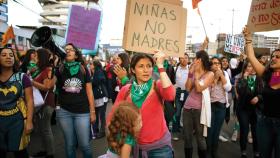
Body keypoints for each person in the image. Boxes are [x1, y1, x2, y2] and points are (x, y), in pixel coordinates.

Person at [107, 51, 175, 158]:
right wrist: (121, 139)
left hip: (160, 148)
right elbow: (112, 117)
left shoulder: (157, 85)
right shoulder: (126, 90)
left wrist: (160, 66)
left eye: (149, 66)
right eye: (141, 66)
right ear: (133, 70)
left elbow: (170, 95)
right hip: (135, 149)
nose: (146, 70)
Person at [243, 26, 280, 158]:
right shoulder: (266, 74)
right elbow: (251, 57)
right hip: (265, 123)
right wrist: (248, 39)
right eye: (273, 56)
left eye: (278, 57)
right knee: (264, 154)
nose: (274, 58)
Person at [55, 43, 96, 158]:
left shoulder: (84, 69)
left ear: (76, 54)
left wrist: (92, 112)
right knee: (69, 145)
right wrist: (53, 65)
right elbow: (48, 85)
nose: (67, 51)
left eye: (71, 50)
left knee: (84, 145)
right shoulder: (59, 69)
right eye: (65, 50)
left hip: (82, 112)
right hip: (64, 112)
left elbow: (89, 91)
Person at [0, 47, 34, 158]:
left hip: (18, 122)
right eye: (4, 55)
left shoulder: (22, 77)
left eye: (10, 55)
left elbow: (30, 101)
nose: (8, 57)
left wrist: (29, 122)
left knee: (20, 153)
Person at [183, 50, 214, 158]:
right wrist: (190, 73)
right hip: (187, 108)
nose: (193, 61)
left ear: (199, 60)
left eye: (195, 59)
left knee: (200, 139)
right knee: (187, 138)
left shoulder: (210, 74)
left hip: (200, 110)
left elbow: (199, 88)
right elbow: (187, 88)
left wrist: (196, 75)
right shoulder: (193, 72)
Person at [30, 48, 56, 158]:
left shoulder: (48, 70)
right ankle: (45, 150)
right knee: (42, 129)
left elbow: (47, 87)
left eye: (36, 56)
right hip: (41, 104)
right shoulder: (41, 70)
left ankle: (50, 153)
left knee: (45, 129)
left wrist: (32, 82)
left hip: (46, 104)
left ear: (41, 57)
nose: (34, 58)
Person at [235, 61, 261, 158]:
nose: (252, 68)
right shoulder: (241, 80)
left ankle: (257, 151)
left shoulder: (260, 79)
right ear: (245, 69)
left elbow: (263, 93)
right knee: (244, 130)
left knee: (255, 131)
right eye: (249, 66)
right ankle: (243, 151)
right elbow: (241, 92)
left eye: (253, 66)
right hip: (243, 109)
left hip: (256, 110)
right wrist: (245, 79)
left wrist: (258, 97)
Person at [207, 57, 232, 158]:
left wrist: (221, 76)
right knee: (210, 130)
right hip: (211, 106)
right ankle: (208, 152)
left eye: (218, 63)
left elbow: (228, 88)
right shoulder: (208, 75)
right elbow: (207, 92)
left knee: (217, 130)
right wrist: (215, 79)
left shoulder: (225, 73)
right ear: (210, 65)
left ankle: (214, 151)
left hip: (221, 106)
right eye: (213, 63)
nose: (216, 65)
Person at [172, 53, 190, 141]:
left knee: (187, 114)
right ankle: (175, 131)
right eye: (182, 58)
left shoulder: (191, 69)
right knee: (177, 112)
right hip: (178, 93)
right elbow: (172, 80)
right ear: (179, 59)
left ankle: (186, 133)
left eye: (186, 58)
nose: (184, 59)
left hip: (188, 93)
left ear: (188, 59)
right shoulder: (175, 69)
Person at [90, 60, 108, 139]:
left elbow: (99, 80)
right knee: (97, 114)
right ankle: (96, 130)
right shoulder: (94, 72)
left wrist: (91, 81)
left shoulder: (99, 71)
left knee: (101, 115)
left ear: (95, 65)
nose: (90, 65)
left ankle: (102, 131)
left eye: (91, 64)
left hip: (102, 96)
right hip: (97, 96)